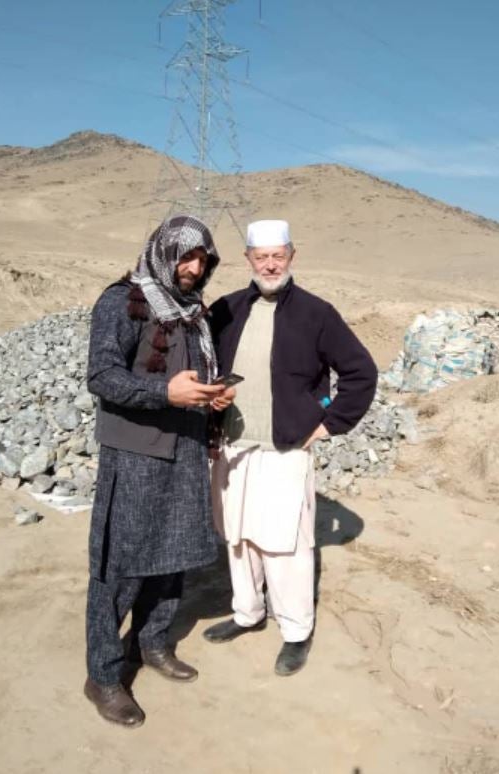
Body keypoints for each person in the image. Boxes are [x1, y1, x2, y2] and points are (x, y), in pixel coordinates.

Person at [204, 219, 377, 676]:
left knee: (285, 545)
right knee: (238, 538)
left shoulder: (317, 313)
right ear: (248, 260)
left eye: (278, 255)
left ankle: (296, 630)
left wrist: (327, 424)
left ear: (292, 256)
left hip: (286, 449)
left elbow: (361, 372)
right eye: (261, 257)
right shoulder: (226, 309)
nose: (270, 264)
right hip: (233, 446)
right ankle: (247, 613)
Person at [83, 214, 233, 727]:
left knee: (174, 557)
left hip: (186, 446)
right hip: (137, 452)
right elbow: (102, 376)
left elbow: (189, 376)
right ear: (163, 253)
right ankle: (103, 675)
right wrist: (164, 393)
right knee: (119, 566)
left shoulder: (193, 311)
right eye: (186, 257)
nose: (193, 268)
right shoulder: (122, 301)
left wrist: (211, 396)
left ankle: (152, 643)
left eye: (202, 260)